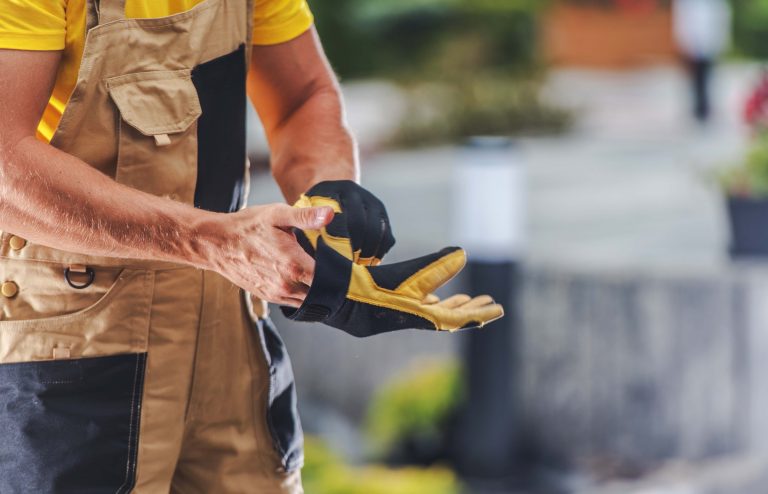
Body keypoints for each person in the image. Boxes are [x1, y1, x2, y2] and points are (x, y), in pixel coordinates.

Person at [0, 0, 502, 492]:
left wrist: (328, 205)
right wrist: (213, 243)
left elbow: (302, 96)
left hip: (228, 326)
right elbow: (5, 169)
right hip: (75, 338)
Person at [672, 0, 732, 122]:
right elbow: (683, 22)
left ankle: (706, 108)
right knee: (696, 79)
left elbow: (721, 20)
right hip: (694, 46)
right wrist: (686, 44)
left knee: (708, 77)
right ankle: (699, 109)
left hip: (709, 45)